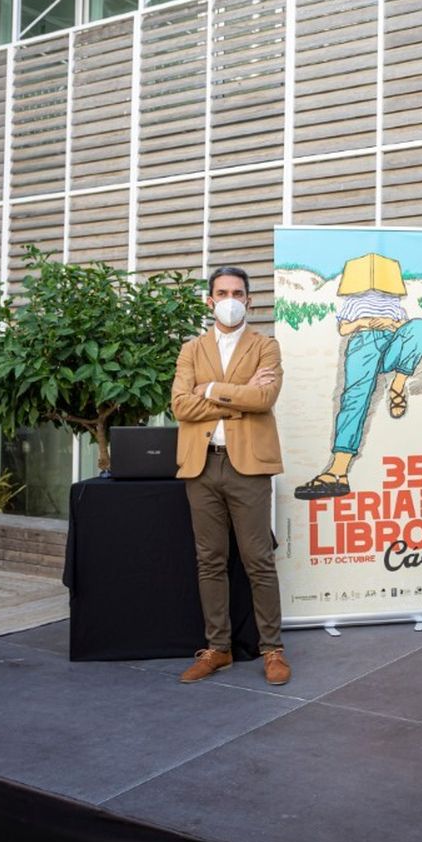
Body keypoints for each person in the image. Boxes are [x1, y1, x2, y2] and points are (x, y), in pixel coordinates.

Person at [171, 266, 290, 686]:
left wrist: (208, 390)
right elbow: (180, 405)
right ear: (210, 301)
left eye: (238, 293)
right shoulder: (191, 349)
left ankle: (272, 649)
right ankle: (218, 648)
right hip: (201, 463)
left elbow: (265, 397)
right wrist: (239, 397)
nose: (230, 300)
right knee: (210, 560)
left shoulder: (266, 346)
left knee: (258, 560)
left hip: (249, 466)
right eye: (222, 293)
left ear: (249, 301)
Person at [294, 252, 422, 499]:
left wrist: (389, 323)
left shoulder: (395, 303)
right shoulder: (353, 301)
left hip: (390, 342)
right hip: (363, 343)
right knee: (355, 397)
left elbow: (406, 329)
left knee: (421, 327)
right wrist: (365, 322)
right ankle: (338, 472)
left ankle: (398, 385)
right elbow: (344, 328)